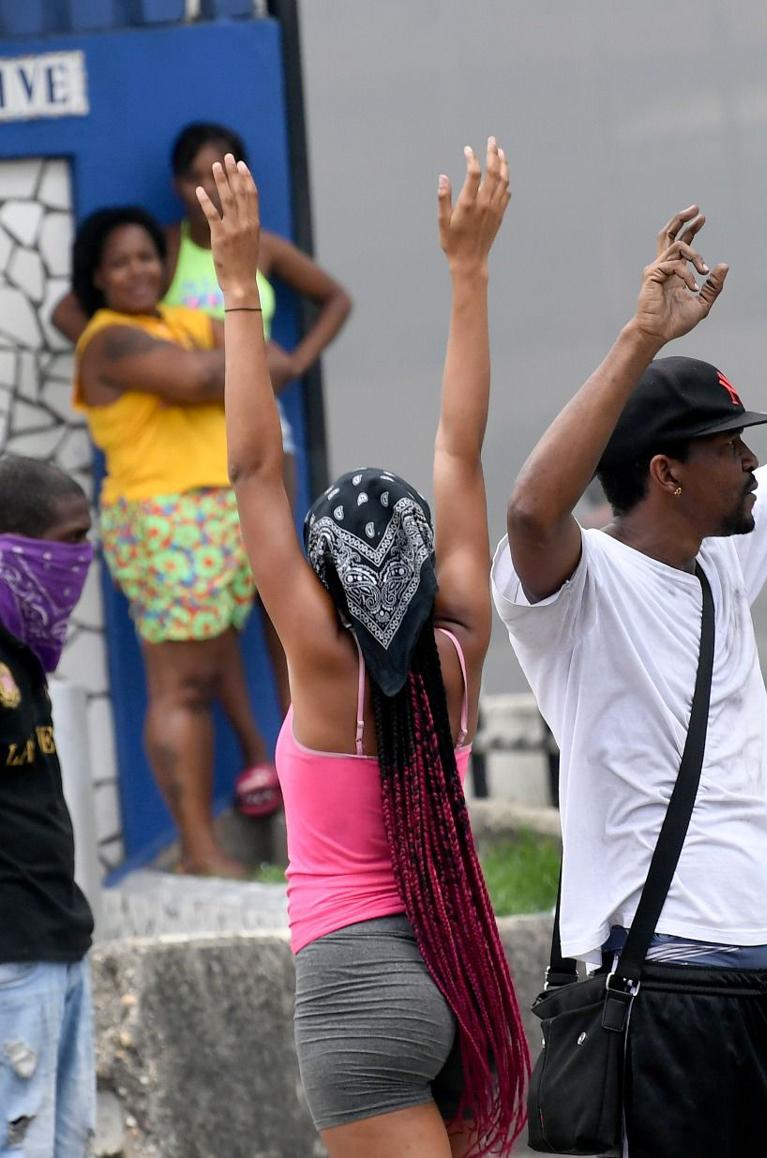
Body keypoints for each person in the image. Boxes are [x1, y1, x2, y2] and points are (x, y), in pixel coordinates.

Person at [492, 163, 767, 1156]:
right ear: (666, 473)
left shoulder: (724, 551)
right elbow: (529, 509)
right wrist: (642, 336)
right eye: (729, 446)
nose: (750, 463)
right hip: (665, 989)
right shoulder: (581, 589)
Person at [201, 143, 527, 1157]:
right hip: (461, 977)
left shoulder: (319, 659)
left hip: (354, 996)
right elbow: (460, 451)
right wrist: (468, 275)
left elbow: (257, 469)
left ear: (324, 580)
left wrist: (239, 288)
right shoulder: (459, 653)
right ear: (428, 570)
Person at [53, 121, 353, 711]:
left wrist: (295, 363)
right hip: (192, 447)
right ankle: (256, 752)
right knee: (213, 621)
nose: (208, 186)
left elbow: (336, 299)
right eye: (196, 174)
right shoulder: (159, 247)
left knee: (277, 581)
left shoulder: (260, 246)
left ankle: (302, 722)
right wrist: (126, 357)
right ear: (177, 182)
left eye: (222, 170)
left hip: (264, 421)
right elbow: (77, 312)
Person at [71, 206, 291, 877]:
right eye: (120, 262)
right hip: (164, 522)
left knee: (207, 678)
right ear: (98, 278)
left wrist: (217, 366)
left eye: (145, 256)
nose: (137, 269)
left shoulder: (177, 323)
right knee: (182, 689)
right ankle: (199, 850)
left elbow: (273, 362)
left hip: (223, 514)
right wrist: (217, 366)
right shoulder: (108, 341)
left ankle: (214, 845)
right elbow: (207, 377)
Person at [0, 456, 97, 1156]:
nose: (80, 563)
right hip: (11, 954)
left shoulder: (26, 653)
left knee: (69, 1141)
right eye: (68, 542)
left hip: (61, 938)